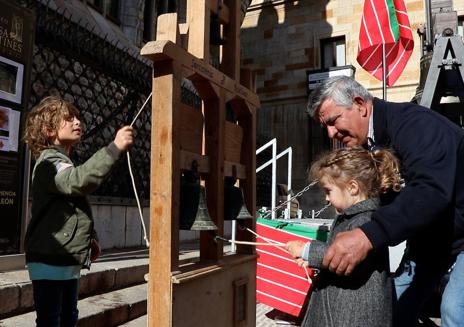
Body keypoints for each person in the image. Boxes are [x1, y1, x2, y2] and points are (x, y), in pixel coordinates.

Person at [306, 75, 461, 327]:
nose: (331, 133)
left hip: (460, 236)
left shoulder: (416, 125)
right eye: (325, 127)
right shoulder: (370, 144)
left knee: (454, 310)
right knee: (395, 307)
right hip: (431, 243)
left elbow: (430, 190)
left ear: (359, 104)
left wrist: (368, 235)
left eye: (333, 121)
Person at [22, 96, 134, 327]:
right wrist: (113, 148)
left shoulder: (61, 161)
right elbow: (77, 181)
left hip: (64, 259)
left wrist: (88, 240)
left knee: (67, 318)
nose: (77, 122)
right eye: (68, 118)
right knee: (52, 321)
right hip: (50, 259)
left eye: (77, 117)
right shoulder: (49, 162)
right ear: (48, 129)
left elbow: (72, 208)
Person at [286, 146, 401, 327]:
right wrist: (314, 261)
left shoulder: (365, 222)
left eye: (328, 191)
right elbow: (339, 258)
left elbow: (350, 258)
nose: (326, 199)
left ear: (352, 187)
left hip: (353, 317)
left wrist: (307, 250)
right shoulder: (354, 217)